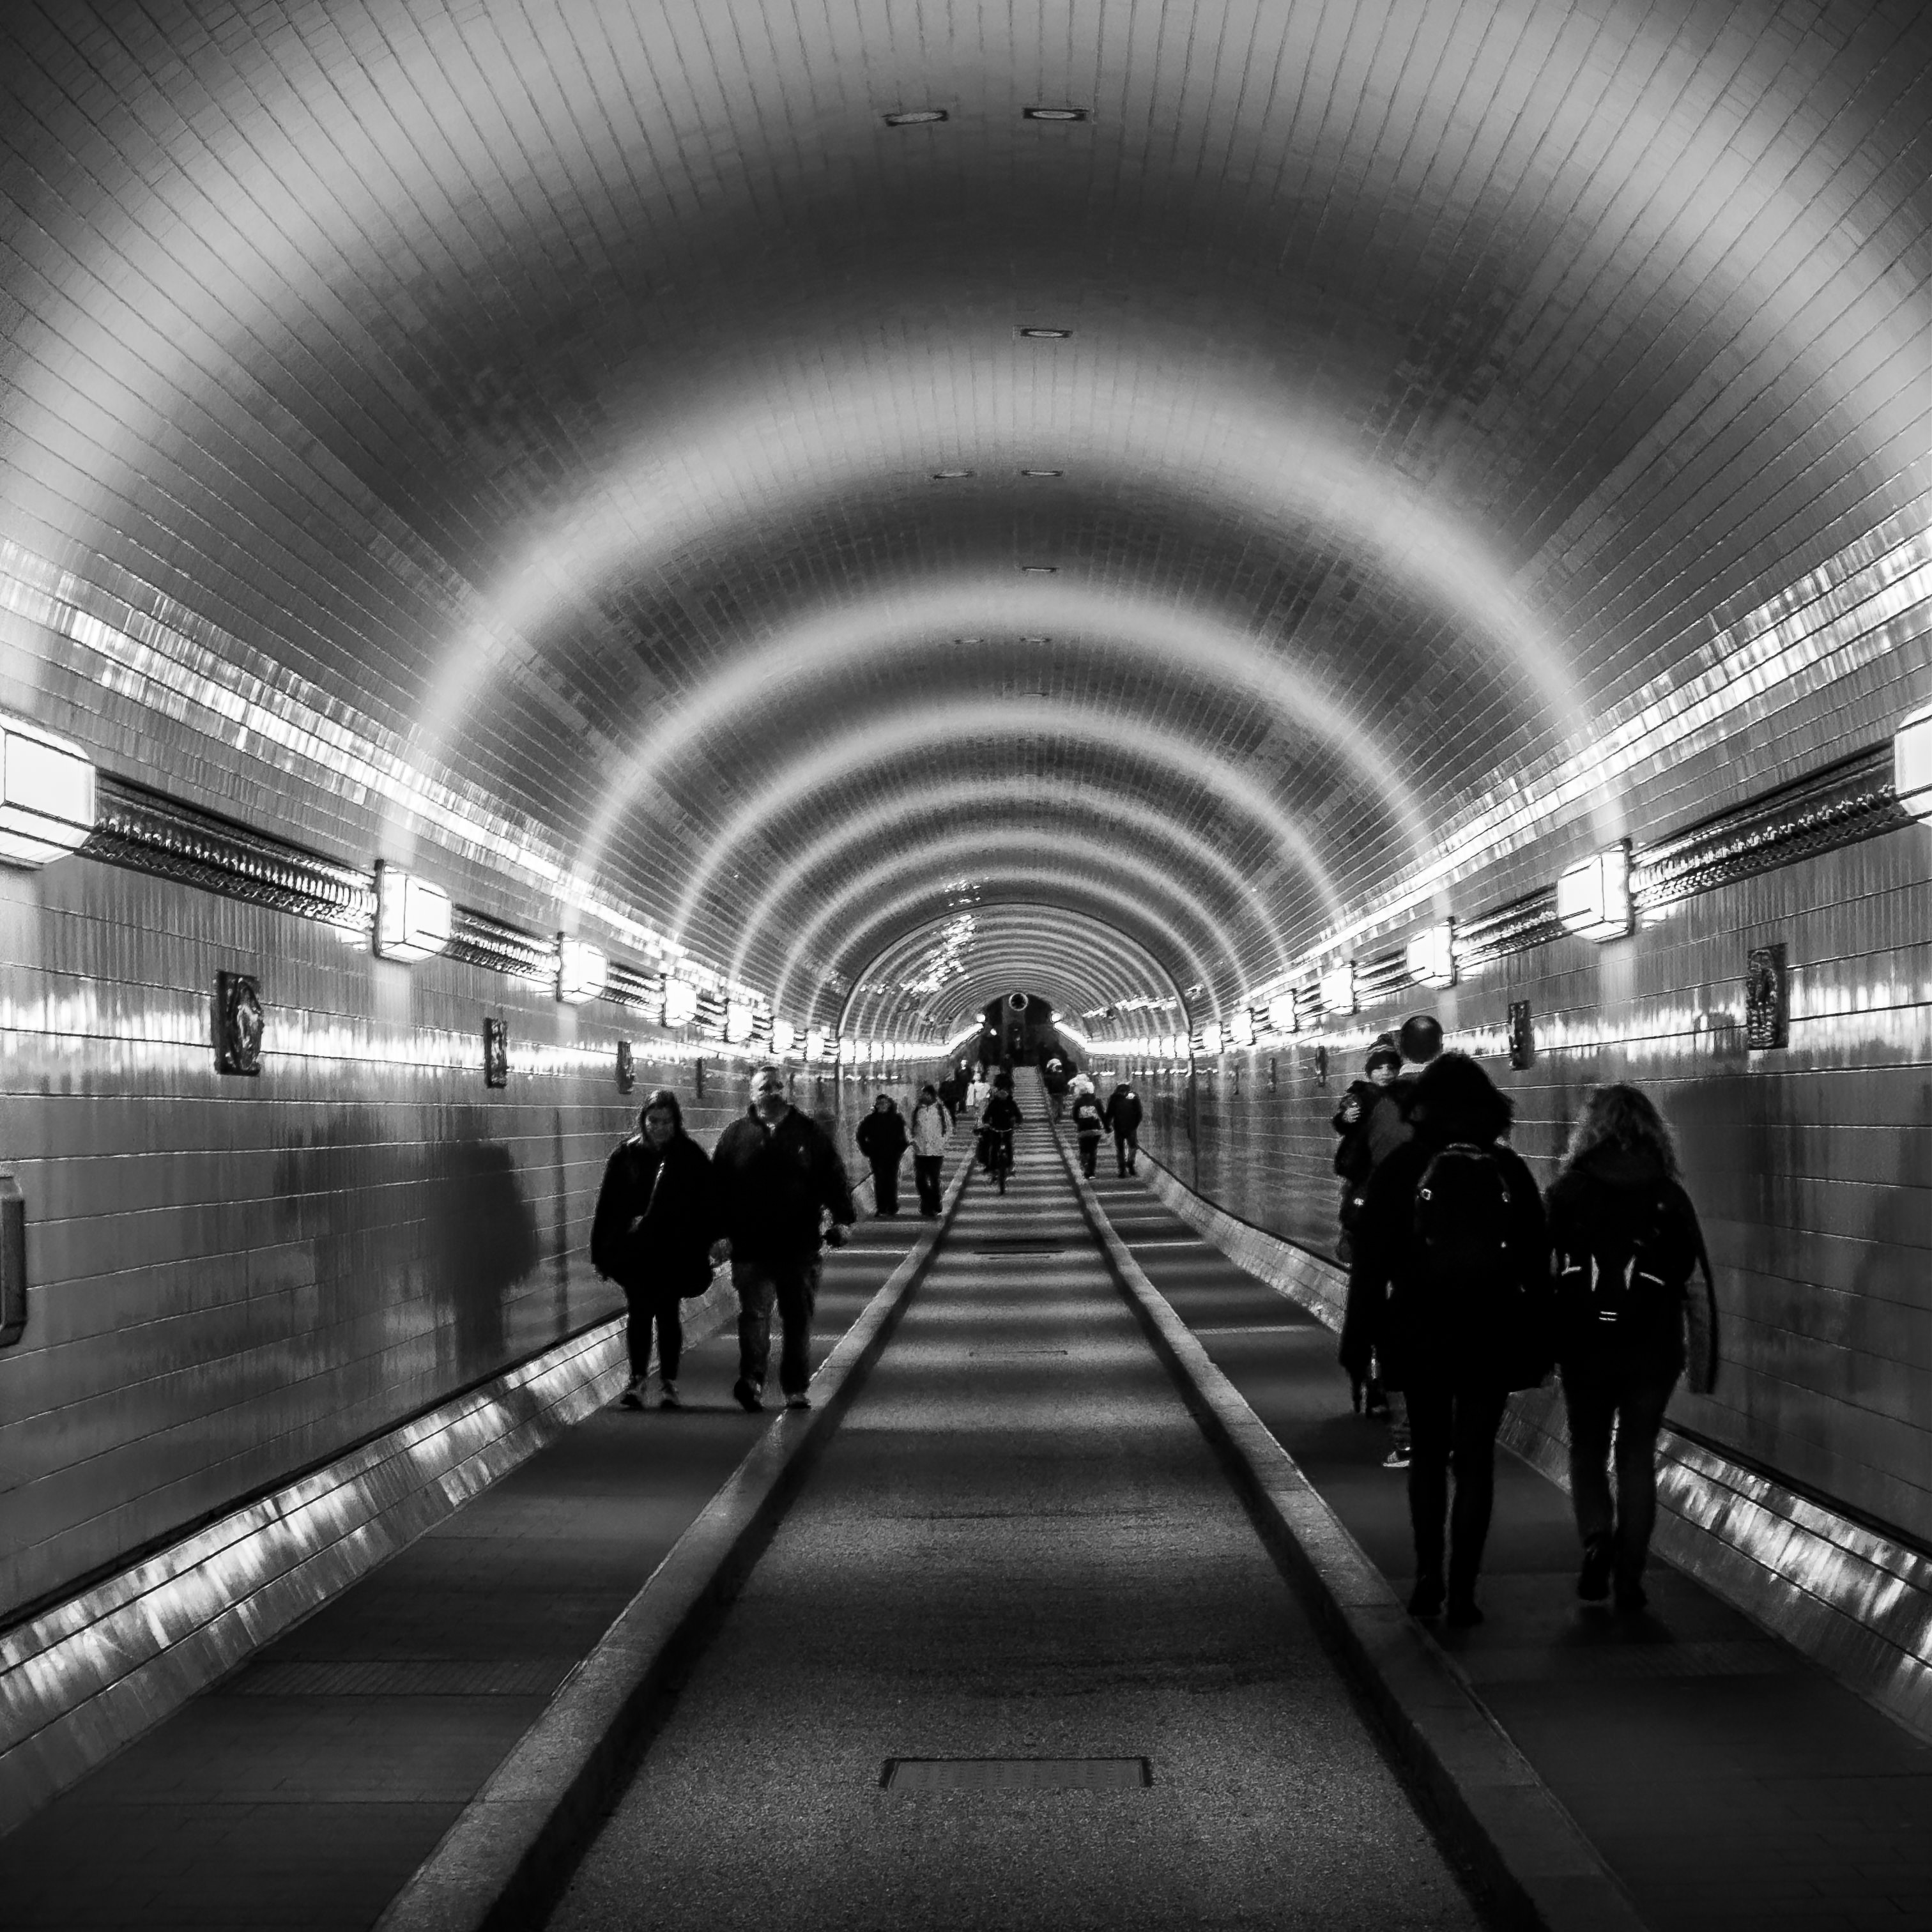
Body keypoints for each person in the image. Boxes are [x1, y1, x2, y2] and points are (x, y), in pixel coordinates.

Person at [1339, 1053, 1551, 1627]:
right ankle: (1464, 1592)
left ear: (1423, 1107)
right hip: (1491, 1328)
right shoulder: (1508, 1169)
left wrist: (1358, 1342)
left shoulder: (1403, 1166)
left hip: (1419, 1325)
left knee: (1429, 1455)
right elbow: (1537, 1262)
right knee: (1476, 1459)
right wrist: (1542, 1339)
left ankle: (1428, 1576)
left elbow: (1371, 1264)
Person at [1549, 1084, 1718, 1614]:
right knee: (1637, 1456)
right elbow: (1694, 1284)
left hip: (1584, 1347)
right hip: (1652, 1348)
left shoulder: (1568, 1192)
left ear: (1590, 1131)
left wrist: (1542, 1345)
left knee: (1587, 1448)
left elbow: (1542, 1273)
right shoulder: (1669, 1197)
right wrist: (1702, 1365)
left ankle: (1597, 1536)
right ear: (1653, 1133)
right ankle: (1629, 1580)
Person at [712, 1064, 857, 1413]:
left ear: (787, 1091)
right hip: (751, 1246)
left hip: (799, 1245)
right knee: (754, 1316)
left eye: (778, 1086)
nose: (772, 1093)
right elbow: (717, 1189)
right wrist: (717, 1234)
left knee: (797, 1318)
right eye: (765, 1088)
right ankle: (752, 1381)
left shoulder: (808, 1133)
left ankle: (795, 1387)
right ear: (752, 1094)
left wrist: (843, 1219)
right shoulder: (736, 1136)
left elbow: (833, 1177)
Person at [589, 1089, 718, 1411]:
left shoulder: (689, 1156)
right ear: (644, 1121)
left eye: (666, 1122)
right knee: (640, 1312)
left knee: (668, 1312)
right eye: (654, 1121)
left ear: (676, 1122)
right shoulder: (626, 1156)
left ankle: (668, 1382)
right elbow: (607, 1206)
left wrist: (713, 1239)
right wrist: (601, 1251)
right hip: (637, 1250)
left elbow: (708, 1202)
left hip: (675, 1248)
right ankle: (638, 1379)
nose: (659, 1128)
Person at [1331, 1035, 1414, 1461]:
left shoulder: (1407, 1098)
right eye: (1379, 1066)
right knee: (1379, 1303)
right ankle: (1377, 1381)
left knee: (1372, 1303)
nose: (1385, 1072)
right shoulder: (1361, 1098)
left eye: (1390, 1066)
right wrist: (1346, 1116)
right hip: (1371, 1210)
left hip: (1373, 1213)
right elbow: (1344, 1121)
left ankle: (1377, 1382)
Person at [855, 1092, 909, 1215]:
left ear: (889, 1104)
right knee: (880, 1180)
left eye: (884, 1103)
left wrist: (900, 1150)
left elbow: (903, 1136)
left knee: (891, 1180)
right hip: (877, 1155)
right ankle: (882, 1206)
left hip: (892, 1155)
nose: (882, 1106)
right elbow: (860, 1135)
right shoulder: (870, 1120)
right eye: (880, 1104)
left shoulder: (896, 1119)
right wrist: (867, 1150)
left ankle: (891, 1205)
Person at [909, 1082, 953, 1215]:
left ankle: (933, 1204)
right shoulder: (917, 1110)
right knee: (920, 1180)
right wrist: (913, 1141)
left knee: (934, 1179)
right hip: (920, 1151)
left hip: (936, 1152)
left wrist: (942, 1141)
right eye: (924, 1094)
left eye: (928, 1094)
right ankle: (929, 1201)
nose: (925, 1096)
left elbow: (949, 1127)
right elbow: (910, 1127)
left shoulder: (941, 1110)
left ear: (933, 1095)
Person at [978, 1073, 1023, 1176]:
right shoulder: (1009, 1103)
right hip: (1004, 1128)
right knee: (1005, 1146)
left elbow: (987, 1115)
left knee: (996, 1147)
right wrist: (1018, 1122)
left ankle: (994, 1167)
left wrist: (986, 1123)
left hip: (999, 1128)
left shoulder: (996, 1103)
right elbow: (1018, 1114)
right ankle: (1009, 1165)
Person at [1103, 1080, 1143, 1176]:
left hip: (1118, 1127)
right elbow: (1139, 1113)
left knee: (1120, 1148)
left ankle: (1122, 1170)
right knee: (1133, 1146)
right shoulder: (1134, 1097)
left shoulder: (1114, 1098)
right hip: (1131, 1127)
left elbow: (1109, 1113)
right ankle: (1131, 1164)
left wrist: (1107, 1126)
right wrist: (1135, 1125)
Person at [1070, 1084, 1106, 1177]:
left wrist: (1080, 1122)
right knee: (1093, 1150)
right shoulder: (1097, 1101)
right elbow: (1102, 1115)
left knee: (1083, 1149)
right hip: (1095, 1130)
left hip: (1083, 1130)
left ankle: (1085, 1166)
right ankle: (1091, 1172)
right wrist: (1106, 1126)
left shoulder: (1078, 1102)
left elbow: (1074, 1116)